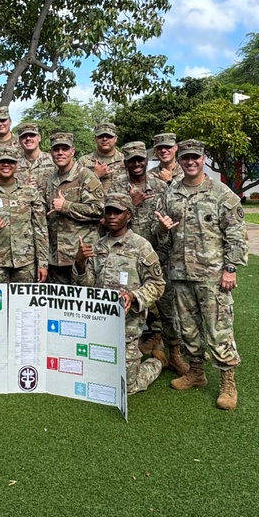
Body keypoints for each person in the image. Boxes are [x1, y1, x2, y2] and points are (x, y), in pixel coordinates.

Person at [155, 139, 248, 410]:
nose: (190, 162)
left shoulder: (221, 193)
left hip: (212, 276)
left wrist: (231, 268)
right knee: (188, 329)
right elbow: (161, 237)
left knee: (219, 330)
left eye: (195, 157)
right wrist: (162, 229)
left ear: (203, 158)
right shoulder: (171, 193)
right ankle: (196, 372)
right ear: (179, 160)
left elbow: (237, 235)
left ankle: (228, 383)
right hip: (180, 273)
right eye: (185, 157)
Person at [73, 193, 166, 395]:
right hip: (99, 326)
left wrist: (134, 296)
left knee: (126, 388)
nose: (113, 216)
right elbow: (86, 286)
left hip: (128, 326)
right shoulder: (97, 247)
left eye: (118, 212)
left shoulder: (142, 246)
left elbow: (158, 285)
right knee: (95, 379)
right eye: (109, 212)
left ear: (129, 215)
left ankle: (156, 361)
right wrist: (80, 263)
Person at [117, 141, 190, 377]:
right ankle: (127, 352)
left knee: (167, 307)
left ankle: (174, 353)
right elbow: (108, 220)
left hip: (158, 256)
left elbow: (168, 224)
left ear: (146, 161)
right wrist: (133, 205)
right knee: (128, 304)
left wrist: (162, 228)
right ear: (125, 163)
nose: (137, 164)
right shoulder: (117, 187)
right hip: (126, 257)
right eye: (132, 160)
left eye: (140, 159)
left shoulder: (161, 186)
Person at [0, 146, 49, 284]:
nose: (6, 164)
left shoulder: (30, 193)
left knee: (24, 304)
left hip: (25, 263)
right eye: (1, 161)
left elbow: (40, 229)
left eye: (10, 161)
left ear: (17, 165)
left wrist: (42, 263)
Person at [44, 132, 104, 284]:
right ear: (51, 152)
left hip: (80, 255)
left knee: (83, 303)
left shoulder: (86, 176)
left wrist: (66, 206)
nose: (60, 153)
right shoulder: (51, 179)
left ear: (73, 151)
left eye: (65, 149)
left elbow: (98, 209)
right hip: (56, 257)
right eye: (56, 149)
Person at [79, 122, 124, 193]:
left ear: (115, 138)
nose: (105, 139)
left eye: (109, 136)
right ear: (95, 139)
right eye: (101, 136)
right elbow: (76, 190)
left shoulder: (126, 161)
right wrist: (95, 175)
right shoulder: (84, 161)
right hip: (92, 203)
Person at [17, 121, 55, 189]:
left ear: (39, 138)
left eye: (32, 135)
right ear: (19, 141)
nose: (28, 138)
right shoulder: (14, 165)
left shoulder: (53, 160)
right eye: (24, 136)